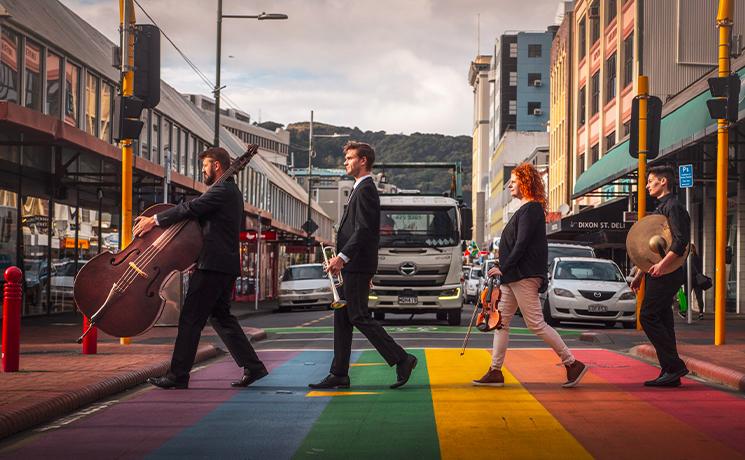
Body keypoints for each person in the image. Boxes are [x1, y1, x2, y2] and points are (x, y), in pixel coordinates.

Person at [134, 147, 267, 389]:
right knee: (221, 316)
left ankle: (178, 375)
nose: (202, 169)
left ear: (217, 165)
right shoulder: (230, 191)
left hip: (213, 265)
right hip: (223, 264)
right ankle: (254, 366)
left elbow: (192, 208)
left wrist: (154, 220)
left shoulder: (223, 190)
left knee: (190, 319)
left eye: (205, 165)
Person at [309, 141, 417, 390]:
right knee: (343, 318)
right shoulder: (360, 188)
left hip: (355, 265)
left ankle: (402, 358)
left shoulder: (366, 188)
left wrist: (342, 257)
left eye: (349, 158)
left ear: (363, 161)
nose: (345, 162)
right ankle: (339, 373)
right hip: (355, 265)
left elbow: (365, 230)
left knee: (357, 315)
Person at [473, 163, 587, 388]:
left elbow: (522, 243)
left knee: (536, 324)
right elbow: (517, 243)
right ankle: (495, 371)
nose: (510, 187)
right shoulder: (525, 209)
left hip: (523, 276)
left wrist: (503, 266)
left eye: (514, 182)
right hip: (514, 276)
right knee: (501, 324)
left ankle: (572, 363)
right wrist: (503, 266)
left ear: (525, 183)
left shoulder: (531, 209)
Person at [630, 164, 690, 387]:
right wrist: (639, 274)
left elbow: (680, 241)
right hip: (660, 271)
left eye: (650, 180)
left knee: (647, 316)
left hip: (668, 272)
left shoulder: (673, 207)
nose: (646, 185)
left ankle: (674, 366)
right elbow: (650, 250)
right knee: (664, 320)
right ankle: (670, 373)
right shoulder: (662, 208)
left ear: (663, 181)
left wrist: (662, 266)